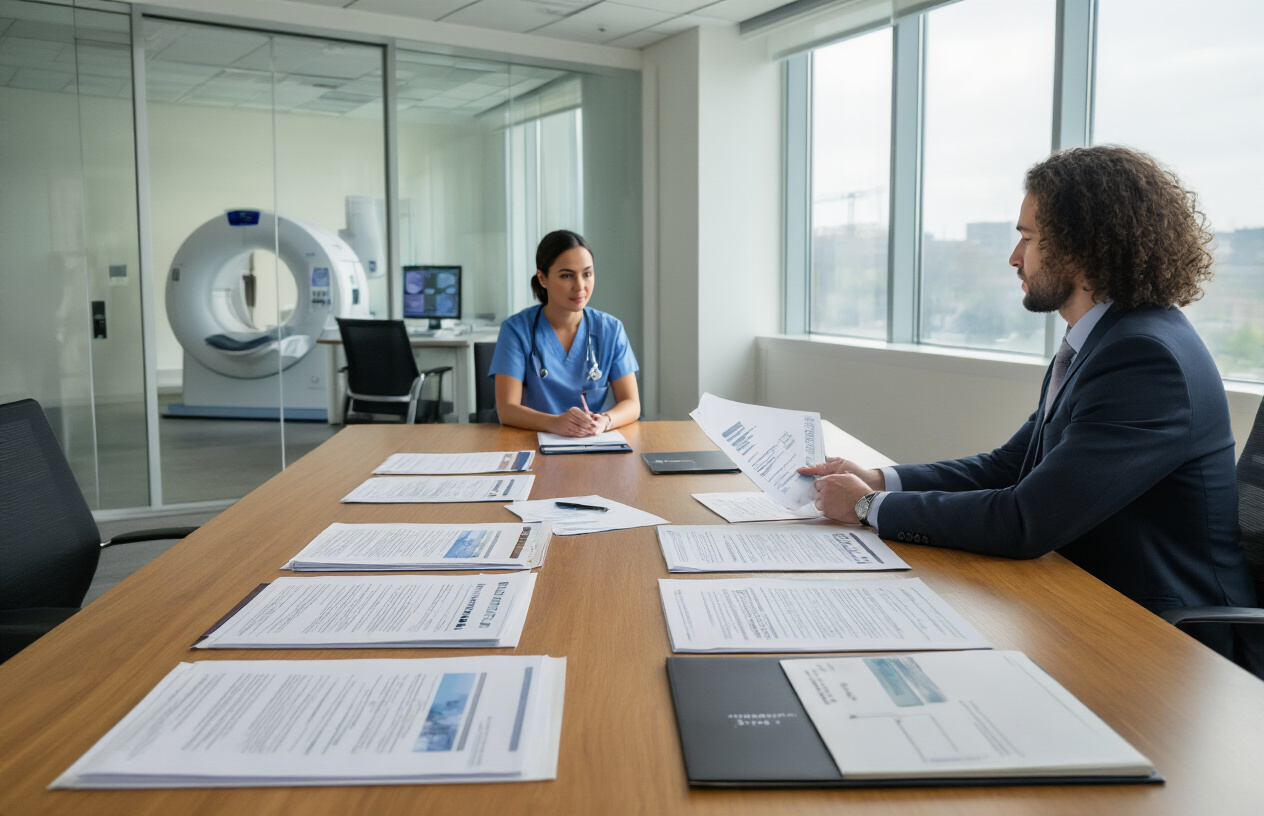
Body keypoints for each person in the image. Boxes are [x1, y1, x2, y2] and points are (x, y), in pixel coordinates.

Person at [801, 145, 1256, 661]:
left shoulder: (1145, 359)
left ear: (1082, 247)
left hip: (1171, 641)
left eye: (1027, 238)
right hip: (1089, 601)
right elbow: (1011, 465)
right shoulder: (1107, 338)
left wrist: (865, 507)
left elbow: (1027, 520)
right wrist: (881, 479)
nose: (1015, 257)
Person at [490, 230, 641, 437]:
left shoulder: (611, 330)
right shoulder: (516, 330)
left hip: (591, 442)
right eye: (567, 276)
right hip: (532, 441)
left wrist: (605, 420)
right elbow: (507, 410)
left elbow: (632, 404)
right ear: (542, 278)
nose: (580, 287)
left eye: (587, 274)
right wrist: (555, 423)